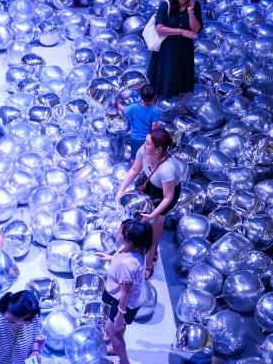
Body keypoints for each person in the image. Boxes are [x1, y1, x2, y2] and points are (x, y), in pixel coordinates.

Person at [115, 128, 182, 279]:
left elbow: (168, 197)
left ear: (158, 149)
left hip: (163, 193)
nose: (144, 145)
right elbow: (134, 169)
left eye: (148, 144)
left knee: (154, 224)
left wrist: (153, 214)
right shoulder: (143, 151)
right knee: (140, 219)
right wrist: (121, 190)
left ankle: (150, 261)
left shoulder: (168, 169)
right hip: (148, 182)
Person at [96, 218, 152, 364]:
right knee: (115, 329)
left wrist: (121, 316)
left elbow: (125, 294)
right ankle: (115, 348)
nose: (117, 231)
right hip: (128, 300)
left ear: (130, 241)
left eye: (121, 231)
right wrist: (110, 258)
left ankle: (124, 361)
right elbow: (121, 256)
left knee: (113, 332)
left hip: (124, 303)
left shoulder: (126, 265)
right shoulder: (137, 249)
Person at [147, 0, 202, 101]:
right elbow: (159, 28)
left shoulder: (195, 6)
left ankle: (175, 109)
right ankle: (153, 108)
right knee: (160, 83)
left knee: (180, 84)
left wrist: (191, 12)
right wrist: (181, 31)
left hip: (184, 51)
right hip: (166, 50)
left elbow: (196, 29)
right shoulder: (166, 4)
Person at [0, 290, 44, 364]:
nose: (28, 324)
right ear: (17, 314)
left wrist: (35, 351)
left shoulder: (33, 318)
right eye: (26, 320)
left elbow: (35, 336)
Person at [114, 84, 161, 162]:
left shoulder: (134, 107)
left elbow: (124, 110)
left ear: (141, 97)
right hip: (147, 139)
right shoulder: (155, 111)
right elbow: (154, 127)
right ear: (154, 98)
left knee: (134, 157)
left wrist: (117, 104)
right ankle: (145, 171)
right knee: (147, 156)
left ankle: (135, 170)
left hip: (135, 138)